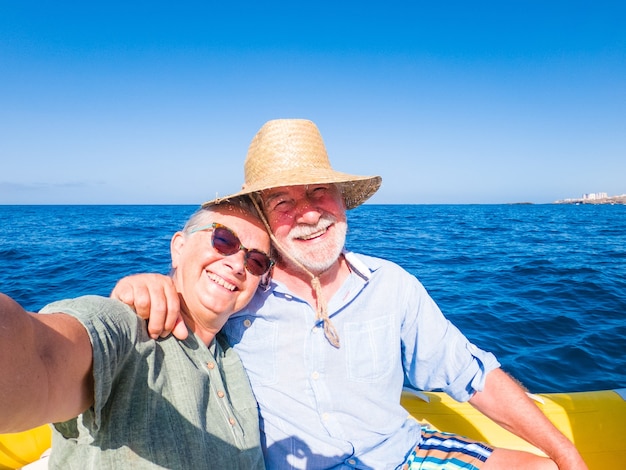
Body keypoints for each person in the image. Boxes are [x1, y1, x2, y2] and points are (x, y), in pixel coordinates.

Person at [112, 119, 587, 469]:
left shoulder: (391, 284)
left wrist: (567, 456)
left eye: (319, 192)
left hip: (406, 453)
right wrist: (147, 285)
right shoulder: (241, 291)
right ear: (265, 220)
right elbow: (189, 298)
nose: (307, 213)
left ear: (342, 202)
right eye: (283, 202)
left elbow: (471, 374)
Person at [0, 198, 275, 469]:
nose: (239, 265)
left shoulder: (235, 353)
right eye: (224, 240)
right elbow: (41, 353)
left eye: (257, 261)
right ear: (179, 247)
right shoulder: (127, 329)